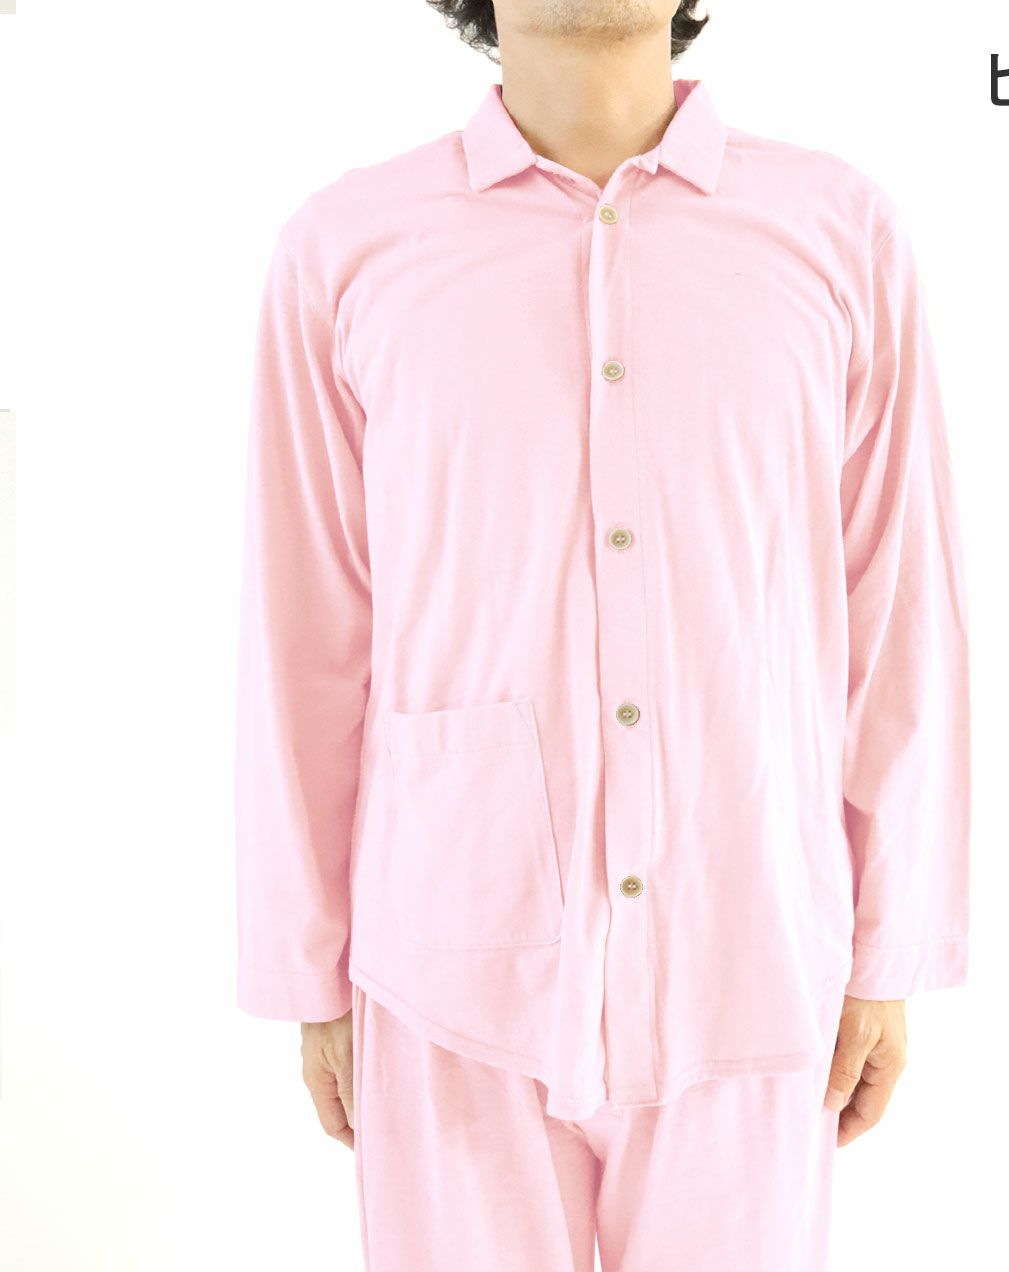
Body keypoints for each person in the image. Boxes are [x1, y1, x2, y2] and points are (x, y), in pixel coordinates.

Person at [234, 2, 971, 1267]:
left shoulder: (840, 233)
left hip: (749, 947)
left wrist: (888, 945)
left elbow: (899, 604)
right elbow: (303, 632)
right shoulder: (346, 248)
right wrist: (309, 967)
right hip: (447, 963)